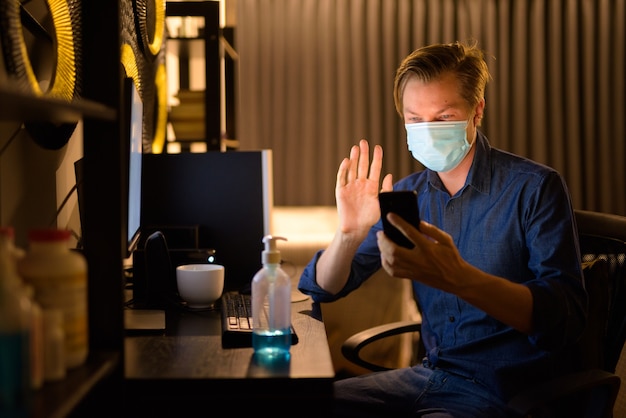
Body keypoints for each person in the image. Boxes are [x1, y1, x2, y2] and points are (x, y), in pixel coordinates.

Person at [297, 41, 587, 417]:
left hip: (508, 392)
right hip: (430, 377)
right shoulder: (406, 195)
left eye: (443, 117)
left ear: (476, 110)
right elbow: (322, 287)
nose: (428, 132)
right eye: (415, 120)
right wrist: (349, 234)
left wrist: (458, 277)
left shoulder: (534, 188)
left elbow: (564, 319)